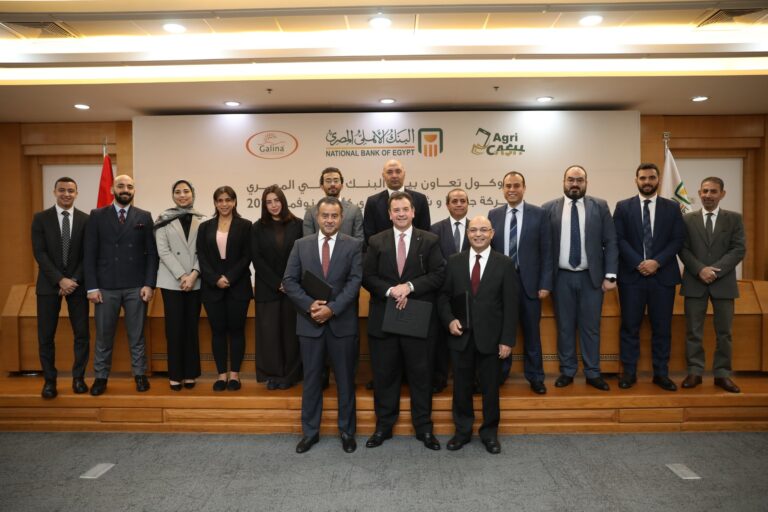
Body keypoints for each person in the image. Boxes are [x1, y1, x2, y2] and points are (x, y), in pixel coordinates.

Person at [362, 191, 445, 451]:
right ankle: (383, 427)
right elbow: (367, 276)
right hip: (384, 317)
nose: (401, 214)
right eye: (396, 210)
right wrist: (391, 290)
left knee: (421, 375)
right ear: (389, 214)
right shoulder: (376, 241)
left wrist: (409, 286)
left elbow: (439, 273)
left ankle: (424, 428)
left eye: (405, 209)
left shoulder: (429, 240)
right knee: (385, 375)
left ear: (413, 212)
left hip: (416, 318)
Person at [283, 197, 363, 454]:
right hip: (310, 324)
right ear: (317, 217)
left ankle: (347, 431)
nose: (329, 220)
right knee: (311, 380)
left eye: (334, 216)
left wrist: (332, 309)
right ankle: (310, 432)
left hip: (342, 324)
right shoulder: (301, 245)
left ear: (341, 218)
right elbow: (289, 280)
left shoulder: (353, 245)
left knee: (345, 381)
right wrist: (310, 306)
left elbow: (355, 282)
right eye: (325, 215)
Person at [438, 216, 517, 454]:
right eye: (473, 230)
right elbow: (443, 297)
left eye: (483, 230)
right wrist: (449, 320)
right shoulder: (454, 261)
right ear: (467, 234)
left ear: (492, 233)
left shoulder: (504, 263)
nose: (478, 234)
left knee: (490, 389)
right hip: (460, 337)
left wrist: (507, 340)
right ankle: (462, 432)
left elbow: (511, 305)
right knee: (461, 387)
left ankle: (489, 433)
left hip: (491, 339)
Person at [542, 165, 618, 391]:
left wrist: (610, 275)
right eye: (570, 179)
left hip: (591, 278)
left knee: (591, 327)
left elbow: (611, 241)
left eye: (579, 180)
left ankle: (593, 372)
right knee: (565, 327)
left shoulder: (600, 206)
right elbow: (544, 247)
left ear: (586, 182)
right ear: (563, 182)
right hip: (560, 278)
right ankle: (567, 371)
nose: (574, 184)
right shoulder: (548, 208)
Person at [84, 174, 158, 395]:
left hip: (136, 286)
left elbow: (152, 254)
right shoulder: (97, 215)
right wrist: (91, 287)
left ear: (134, 190)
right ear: (112, 189)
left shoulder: (144, 216)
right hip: (105, 287)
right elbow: (89, 253)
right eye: (121, 186)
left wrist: (149, 284)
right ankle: (100, 377)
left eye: (130, 186)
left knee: (137, 335)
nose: (125, 189)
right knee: (104, 336)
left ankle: (140, 375)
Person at [613, 163, 685, 391]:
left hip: (662, 277)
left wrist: (656, 262)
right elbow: (618, 239)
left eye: (651, 178)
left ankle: (661, 374)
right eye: (643, 178)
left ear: (658, 180)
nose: (647, 182)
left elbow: (677, 239)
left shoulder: (672, 208)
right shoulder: (623, 207)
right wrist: (638, 262)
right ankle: (629, 373)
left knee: (662, 328)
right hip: (631, 278)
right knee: (629, 327)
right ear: (636, 180)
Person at [679, 177, 746, 393]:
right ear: (699, 193)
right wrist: (700, 269)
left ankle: (722, 374)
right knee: (693, 331)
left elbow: (738, 249)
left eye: (713, 191)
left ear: (722, 194)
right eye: (705, 191)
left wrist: (714, 271)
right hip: (694, 281)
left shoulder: (734, 219)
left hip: (723, 283)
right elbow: (682, 249)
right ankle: (695, 372)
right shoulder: (687, 220)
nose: (708, 195)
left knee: (724, 332)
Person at [488, 171, 552, 394]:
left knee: (532, 333)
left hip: (530, 285)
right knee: (502, 332)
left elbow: (547, 251)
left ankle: (536, 377)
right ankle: (500, 374)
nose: (512, 189)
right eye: (508, 186)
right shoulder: (493, 214)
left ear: (524, 188)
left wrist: (545, 283)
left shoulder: (539, 214)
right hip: (501, 285)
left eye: (516, 185)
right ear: (503, 189)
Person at [31, 177, 90, 398]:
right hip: (49, 285)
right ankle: (50, 381)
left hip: (78, 285)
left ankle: (78, 378)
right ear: (54, 191)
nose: (66, 194)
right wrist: (60, 279)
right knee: (46, 336)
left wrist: (73, 279)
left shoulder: (86, 219)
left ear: (76, 193)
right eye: (62, 190)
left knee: (82, 334)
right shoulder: (41, 219)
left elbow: (88, 254)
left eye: (71, 190)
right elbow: (40, 253)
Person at [197, 186, 252, 392]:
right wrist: (215, 279)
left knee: (237, 331)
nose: (224, 204)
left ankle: (235, 375)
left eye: (228, 200)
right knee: (217, 332)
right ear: (215, 203)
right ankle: (221, 375)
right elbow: (201, 256)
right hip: (212, 288)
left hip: (238, 286)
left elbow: (248, 255)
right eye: (220, 200)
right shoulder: (205, 227)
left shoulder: (246, 226)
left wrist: (229, 277)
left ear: (235, 201)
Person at [154, 180, 205, 391]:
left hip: (196, 281)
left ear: (192, 193)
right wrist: (182, 275)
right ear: (173, 195)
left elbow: (205, 251)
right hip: (171, 281)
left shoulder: (202, 220)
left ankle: (190, 373)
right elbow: (163, 251)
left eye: (186, 191)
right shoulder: (163, 219)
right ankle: (175, 374)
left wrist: (193, 274)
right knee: (174, 328)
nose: (182, 195)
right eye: (178, 192)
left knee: (191, 328)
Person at [252, 185, 303, 390]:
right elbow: (257, 259)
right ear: (264, 205)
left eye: (276, 200)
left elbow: (302, 256)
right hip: (268, 288)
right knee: (270, 335)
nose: (273, 205)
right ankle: (272, 375)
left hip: (294, 288)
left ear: (283, 201)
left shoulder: (298, 224)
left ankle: (290, 375)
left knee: (291, 334)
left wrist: (288, 282)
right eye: (269, 202)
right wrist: (277, 283)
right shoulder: (257, 227)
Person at [429, 188, 470, 394]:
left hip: (470, 292)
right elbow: (434, 260)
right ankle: (440, 377)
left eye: (463, 200)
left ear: (468, 204)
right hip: (442, 290)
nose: (459, 204)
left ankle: (470, 379)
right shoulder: (435, 229)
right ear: (447, 205)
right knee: (440, 337)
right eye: (454, 201)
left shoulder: (476, 228)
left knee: (468, 335)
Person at [363, 159, 431, 246]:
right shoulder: (372, 202)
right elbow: (369, 235)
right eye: (389, 172)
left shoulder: (420, 199)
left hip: (415, 251)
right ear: (383, 175)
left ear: (404, 174)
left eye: (398, 171)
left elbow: (425, 232)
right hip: (382, 252)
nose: (394, 175)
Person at [303, 167, 363, 240]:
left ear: (342, 185)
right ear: (321, 186)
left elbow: (359, 241)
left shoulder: (354, 210)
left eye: (336, 181)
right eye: (328, 181)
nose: (332, 184)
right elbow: (307, 241)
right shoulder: (311, 211)